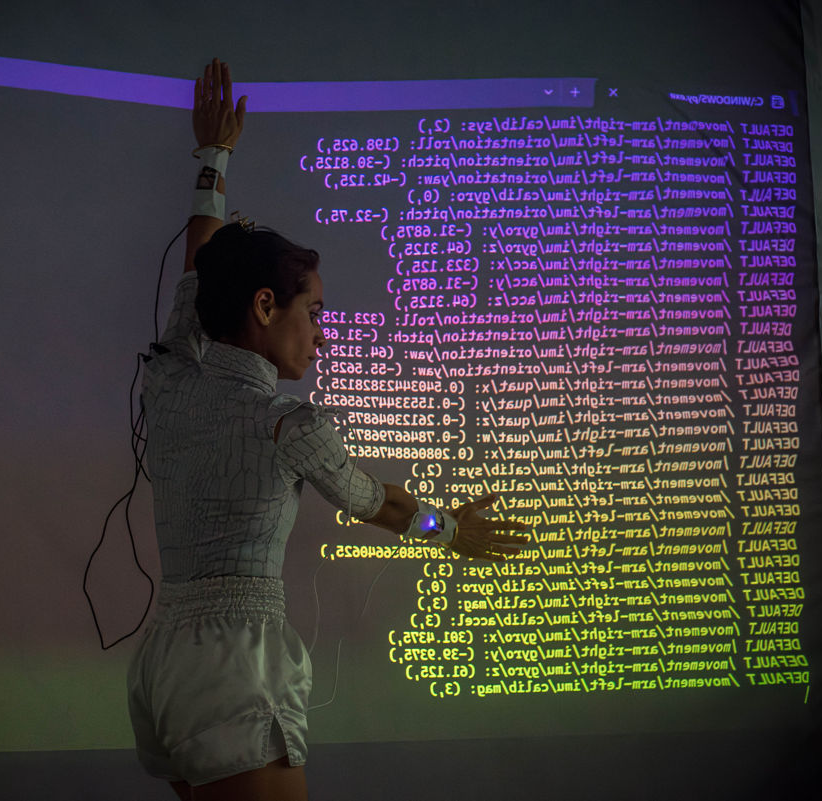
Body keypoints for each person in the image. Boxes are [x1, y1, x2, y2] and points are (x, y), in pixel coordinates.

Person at [126, 58, 529, 801]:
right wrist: (450, 530)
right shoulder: (289, 423)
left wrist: (213, 160)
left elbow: (198, 270)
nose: (322, 336)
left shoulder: (172, 380)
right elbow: (378, 501)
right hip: (235, 666)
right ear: (265, 305)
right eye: (314, 312)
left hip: (166, 665)